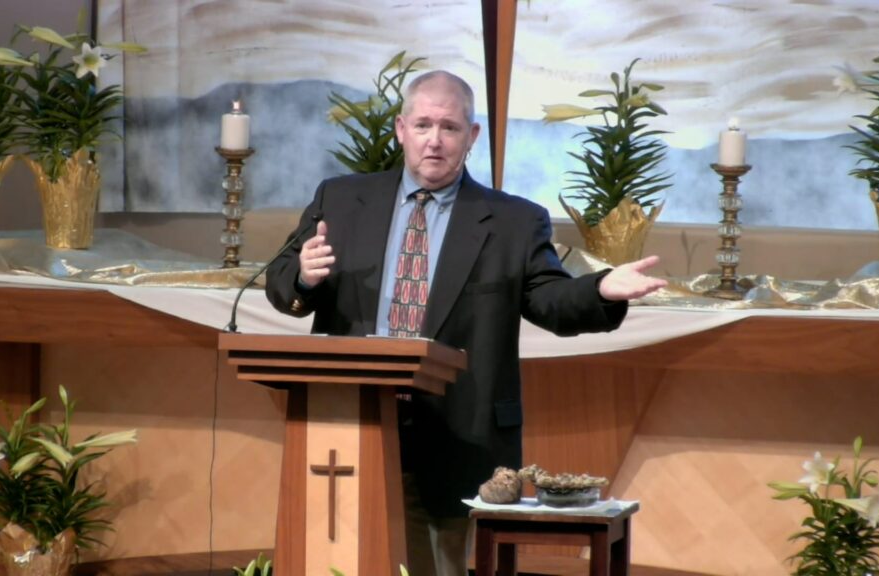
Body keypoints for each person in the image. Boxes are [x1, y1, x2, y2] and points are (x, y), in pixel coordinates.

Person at [265, 70, 666, 576]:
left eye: (449, 127)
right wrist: (303, 276)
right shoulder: (341, 200)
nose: (434, 140)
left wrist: (600, 289)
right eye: (423, 125)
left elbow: (549, 300)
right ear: (401, 129)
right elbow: (281, 281)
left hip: (457, 432)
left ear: (471, 136)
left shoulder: (512, 221)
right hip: (351, 424)